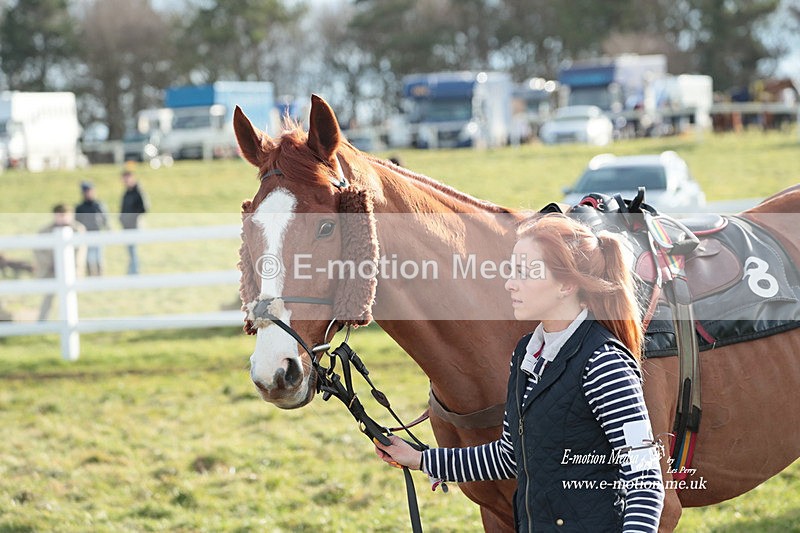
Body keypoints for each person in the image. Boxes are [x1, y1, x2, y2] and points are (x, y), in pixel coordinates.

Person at [374, 213, 665, 532]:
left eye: (525, 272)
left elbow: (644, 476)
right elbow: (509, 455)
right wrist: (421, 459)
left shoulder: (604, 362)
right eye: (511, 270)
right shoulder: (527, 353)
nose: (510, 283)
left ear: (566, 284)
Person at [34, 204, 86, 321]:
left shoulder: (78, 229)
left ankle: (73, 321)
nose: (62, 218)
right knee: (48, 297)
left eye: (65, 215)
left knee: (71, 298)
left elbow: (80, 251)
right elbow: (38, 250)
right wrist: (50, 263)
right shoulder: (45, 231)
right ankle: (42, 322)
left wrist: (72, 266)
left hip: (71, 270)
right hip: (51, 270)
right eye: (59, 215)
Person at [75, 180, 109, 276]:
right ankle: (91, 275)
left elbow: (104, 219)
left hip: (97, 233)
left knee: (99, 257)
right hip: (85, 235)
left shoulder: (98, 205)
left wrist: (108, 229)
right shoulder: (80, 208)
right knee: (89, 257)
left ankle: (100, 275)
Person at [119, 169, 148, 275]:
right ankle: (132, 271)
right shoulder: (127, 192)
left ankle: (134, 272)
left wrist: (132, 217)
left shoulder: (138, 191)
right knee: (130, 250)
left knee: (133, 250)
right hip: (126, 226)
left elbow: (144, 208)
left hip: (134, 225)